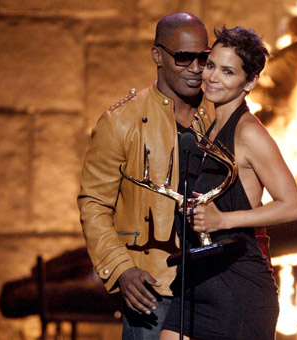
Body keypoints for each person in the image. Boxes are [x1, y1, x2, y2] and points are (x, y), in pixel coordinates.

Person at [160, 26, 297, 340]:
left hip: (237, 286)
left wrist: (224, 218)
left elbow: (293, 206)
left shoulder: (248, 132)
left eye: (228, 71)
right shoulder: (209, 128)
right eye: (211, 65)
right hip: (195, 280)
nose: (212, 77)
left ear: (249, 82)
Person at [77, 12, 215, 340]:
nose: (195, 68)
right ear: (158, 56)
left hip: (213, 288)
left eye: (203, 57)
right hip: (153, 290)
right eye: (183, 58)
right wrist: (121, 268)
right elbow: (94, 203)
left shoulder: (218, 117)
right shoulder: (121, 121)